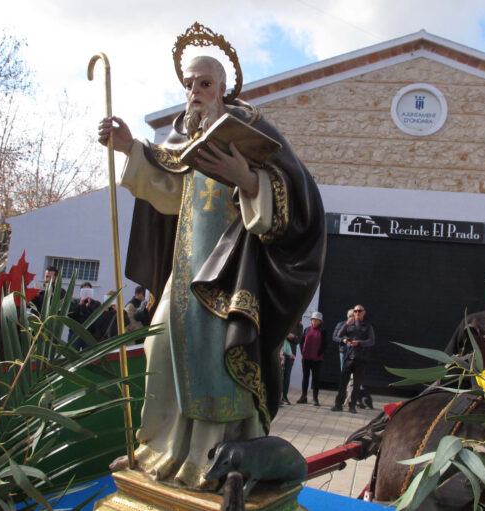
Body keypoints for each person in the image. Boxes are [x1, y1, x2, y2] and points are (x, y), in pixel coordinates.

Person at [98, 46, 325, 488]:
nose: (195, 91)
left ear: (223, 88)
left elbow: (296, 196)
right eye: (189, 83)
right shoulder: (182, 137)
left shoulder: (251, 130)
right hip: (183, 273)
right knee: (159, 349)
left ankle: (209, 456)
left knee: (214, 363)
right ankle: (162, 447)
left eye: (205, 83)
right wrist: (129, 147)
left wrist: (246, 179)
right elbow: (166, 191)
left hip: (229, 275)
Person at [331, 305, 374, 413]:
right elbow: (338, 335)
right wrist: (346, 325)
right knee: (343, 382)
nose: (357, 313)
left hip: (361, 359)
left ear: (364, 312)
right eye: (355, 311)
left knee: (356, 384)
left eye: (360, 311)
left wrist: (359, 343)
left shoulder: (368, 326)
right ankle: (338, 405)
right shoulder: (349, 325)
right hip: (349, 357)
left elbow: (371, 341)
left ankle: (352, 406)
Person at [297, 312, 326, 406]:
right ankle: (303, 397)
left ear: (320, 321)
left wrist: (319, 354)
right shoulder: (306, 329)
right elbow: (301, 342)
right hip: (306, 358)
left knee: (315, 379)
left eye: (316, 320)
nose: (314, 321)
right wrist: (303, 352)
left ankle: (315, 398)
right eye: (313, 319)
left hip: (317, 359)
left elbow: (325, 345)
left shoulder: (323, 331)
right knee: (305, 377)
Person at [71, 282, 102, 349]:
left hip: (89, 334)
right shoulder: (75, 302)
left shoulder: (96, 304)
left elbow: (96, 318)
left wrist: (88, 307)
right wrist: (80, 304)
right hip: (75, 333)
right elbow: (72, 315)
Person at [280, 322, 302, 405]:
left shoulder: (299, 326)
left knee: (287, 374)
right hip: (280, 352)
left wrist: (292, 337)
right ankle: (277, 395)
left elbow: (299, 340)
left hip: (291, 353)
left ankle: (284, 396)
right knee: (278, 374)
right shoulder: (284, 321)